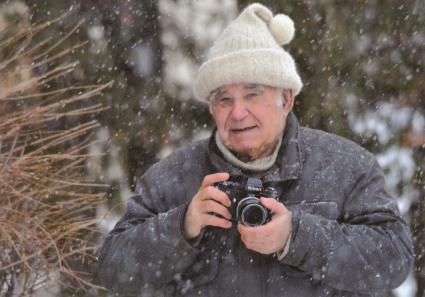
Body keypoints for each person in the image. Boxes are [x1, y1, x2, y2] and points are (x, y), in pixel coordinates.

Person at [98, 3, 413, 296]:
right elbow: (114, 270)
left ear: (286, 99)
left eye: (252, 94)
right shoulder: (173, 177)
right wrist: (182, 225)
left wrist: (298, 236)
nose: (237, 113)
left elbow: (394, 258)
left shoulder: (346, 167)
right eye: (224, 99)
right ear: (212, 108)